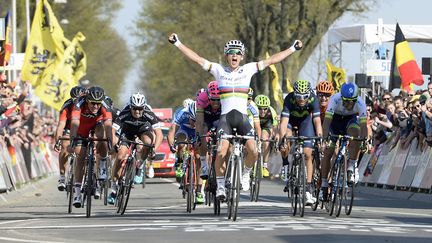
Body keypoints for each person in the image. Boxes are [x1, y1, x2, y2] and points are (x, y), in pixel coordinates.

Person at [169, 33, 302, 200]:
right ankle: (221, 187)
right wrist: (178, 43)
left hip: (242, 119)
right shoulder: (218, 70)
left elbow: (272, 60)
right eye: (231, 52)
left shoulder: (248, 69)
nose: (234, 55)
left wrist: (292, 48)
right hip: (225, 119)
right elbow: (197, 58)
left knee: (254, 151)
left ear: (242, 56)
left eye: (238, 52)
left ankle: (245, 173)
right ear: (226, 55)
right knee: (221, 151)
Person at [108, 92, 163, 204]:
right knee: (120, 157)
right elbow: (113, 131)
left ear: (143, 107)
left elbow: (159, 134)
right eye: (134, 109)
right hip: (127, 131)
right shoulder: (124, 113)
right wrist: (114, 144)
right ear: (130, 107)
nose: (137, 112)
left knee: (148, 142)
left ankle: (140, 163)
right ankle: (113, 188)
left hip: (143, 129)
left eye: (140, 109)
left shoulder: (148, 113)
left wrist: (154, 149)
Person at [321, 82, 368, 201]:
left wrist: (363, 140)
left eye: (352, 101)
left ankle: (352, 165)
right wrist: (325, 138)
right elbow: (326, 122)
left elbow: (363, 126)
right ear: (342, 98)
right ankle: (324, 185)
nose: (349, 104)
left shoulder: (361, 103)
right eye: (346, 101)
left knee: (356, 134)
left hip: (350, 121)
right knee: (328, 152)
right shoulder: (334, 99)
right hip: (334, 121)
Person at [68, 86, 113, 208]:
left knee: (102, 136)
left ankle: (102, 165)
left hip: (97, 124)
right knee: (80, 158)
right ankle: (77, 193)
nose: (95, 106)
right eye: (92, 103)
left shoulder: (104, 104)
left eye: (98, 104)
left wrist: (110, 141)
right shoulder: (79, 102)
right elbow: (74, 122)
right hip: (82, 126)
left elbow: (108, 124)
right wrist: (73, 139)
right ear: (87, 100)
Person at [278, 80, 322, 205]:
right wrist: (283, 139)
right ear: (294, 94)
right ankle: (286, 164)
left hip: (305, 122)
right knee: (286, 140)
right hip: (291, 121)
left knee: (308, 153)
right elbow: (284, 123)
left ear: (309, 95)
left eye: (305, 97)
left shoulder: (314, 100)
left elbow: (317, 121)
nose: (301, 99)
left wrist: (319, 138)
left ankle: (308, 188)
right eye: (298, 96)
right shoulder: (289, 99)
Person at [167, 101, 205, 203]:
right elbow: (171, 132)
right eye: (193, 120)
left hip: (199, 131)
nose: (194, 123)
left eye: (196, 121)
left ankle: (198, 191)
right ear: (189, 116)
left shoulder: (203, 116)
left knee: (199, 158)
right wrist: (172, 146)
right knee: (181, 143)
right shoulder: (182, 114)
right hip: (184, 130)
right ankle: (179, 163)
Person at [54, 85, 86, 191]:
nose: (77, 103)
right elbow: (60, 126)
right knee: (65, 147)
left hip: (84, 128)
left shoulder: (88, 105)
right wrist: (58, 140)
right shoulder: (66, 106)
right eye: (75, 100)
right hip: (69, 128)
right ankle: (62, 177)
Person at [196, 81, 222, 179]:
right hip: (206, 117)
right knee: (202, 133)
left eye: (218, 100)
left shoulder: (224, 98)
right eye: (213, 100)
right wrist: (198, 135)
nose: (216, 102)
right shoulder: (202, 97)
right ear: (208, 96)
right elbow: (199, 121)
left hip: (219, 118)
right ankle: (204, 165)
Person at [254, 94, 278, 177]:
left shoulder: (272, 111)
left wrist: (274, 135)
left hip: (266, 126)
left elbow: (275, 126)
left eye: (265, 108)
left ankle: (265, 165)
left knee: (265, 140)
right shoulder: (251, 109)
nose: (262, 111)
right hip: (254, 125)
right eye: (259, 108)